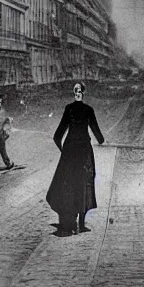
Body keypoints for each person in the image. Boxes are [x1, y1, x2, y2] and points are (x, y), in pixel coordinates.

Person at [46, 82, 105, 237]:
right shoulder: (88, 110)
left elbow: (57, 136)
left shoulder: (69, 109)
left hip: (70, 151)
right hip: (84, 151)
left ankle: (68, 221)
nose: (78, 92)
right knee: (85, 184)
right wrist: (100, 140)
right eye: (77, 90)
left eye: (78, 90)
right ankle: (81, 224)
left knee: (68, 184)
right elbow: (99, 137)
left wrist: (64, 151)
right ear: (81, 93)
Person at [0, 96, 14, 170]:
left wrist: (6, 130)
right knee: (1, 148)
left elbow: (8, 120)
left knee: (2, 148)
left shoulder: (1, 111)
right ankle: (8, 162)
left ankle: (8, 163)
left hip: (0, 132)